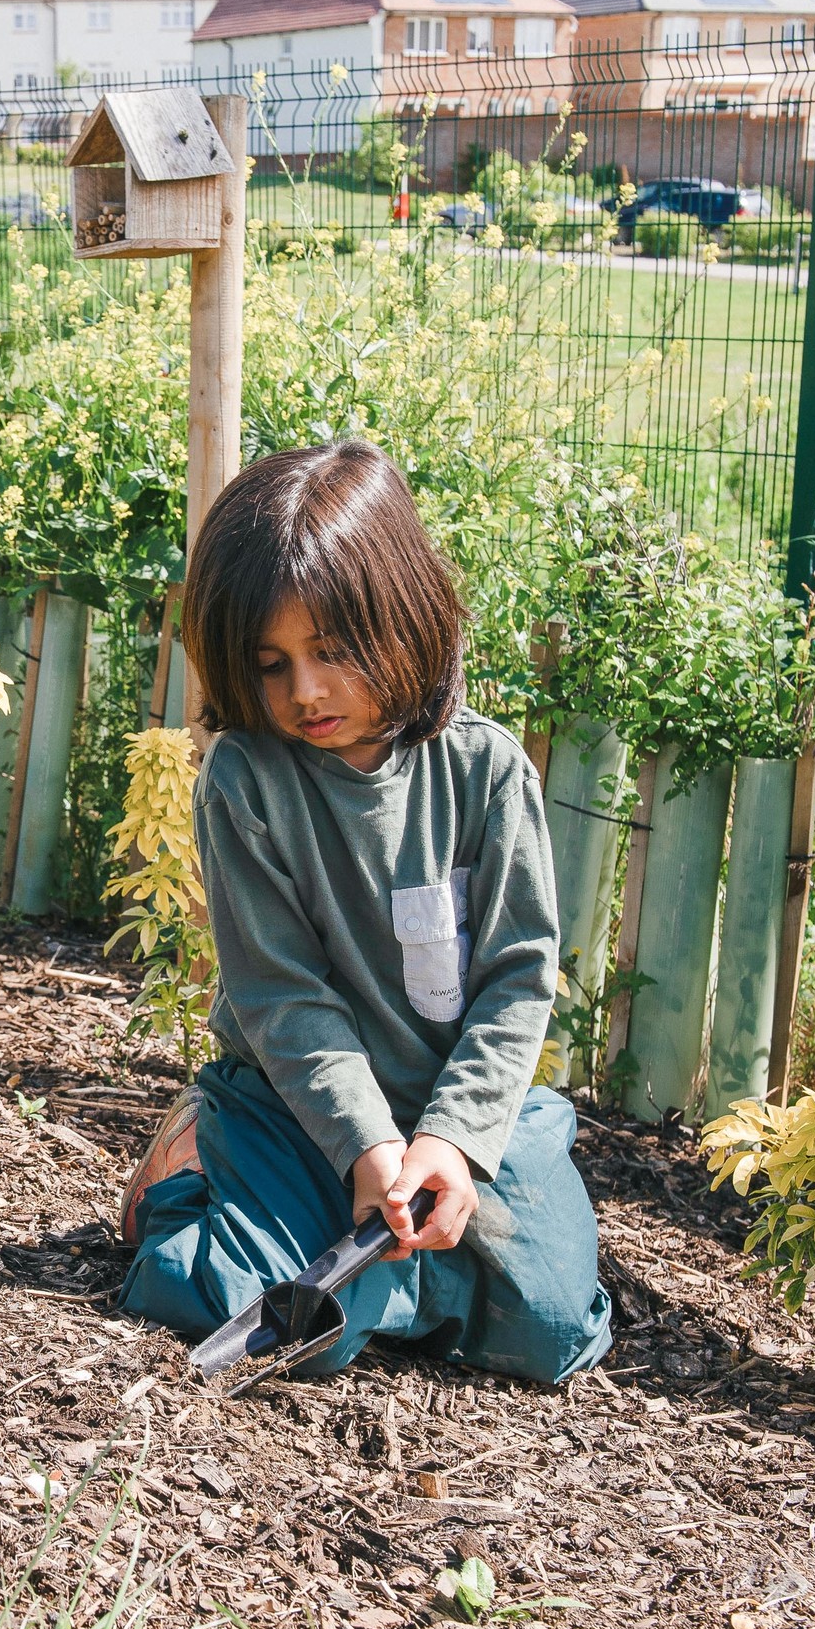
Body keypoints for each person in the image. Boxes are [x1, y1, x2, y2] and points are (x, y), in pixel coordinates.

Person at [118, 440, 612, 1385]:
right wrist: (368, 1146)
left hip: (450, 1110)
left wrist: (450, 1141)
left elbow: (518, 981)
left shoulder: (487, 772)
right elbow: (282, 996)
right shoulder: (247, 781)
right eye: (272, 663)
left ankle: (399, 1282)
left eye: (332, 652)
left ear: (403, 615)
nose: (304, 691)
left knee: (555, 1327)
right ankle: (185, 1175)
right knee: (264, 1318)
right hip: (296, 1110)